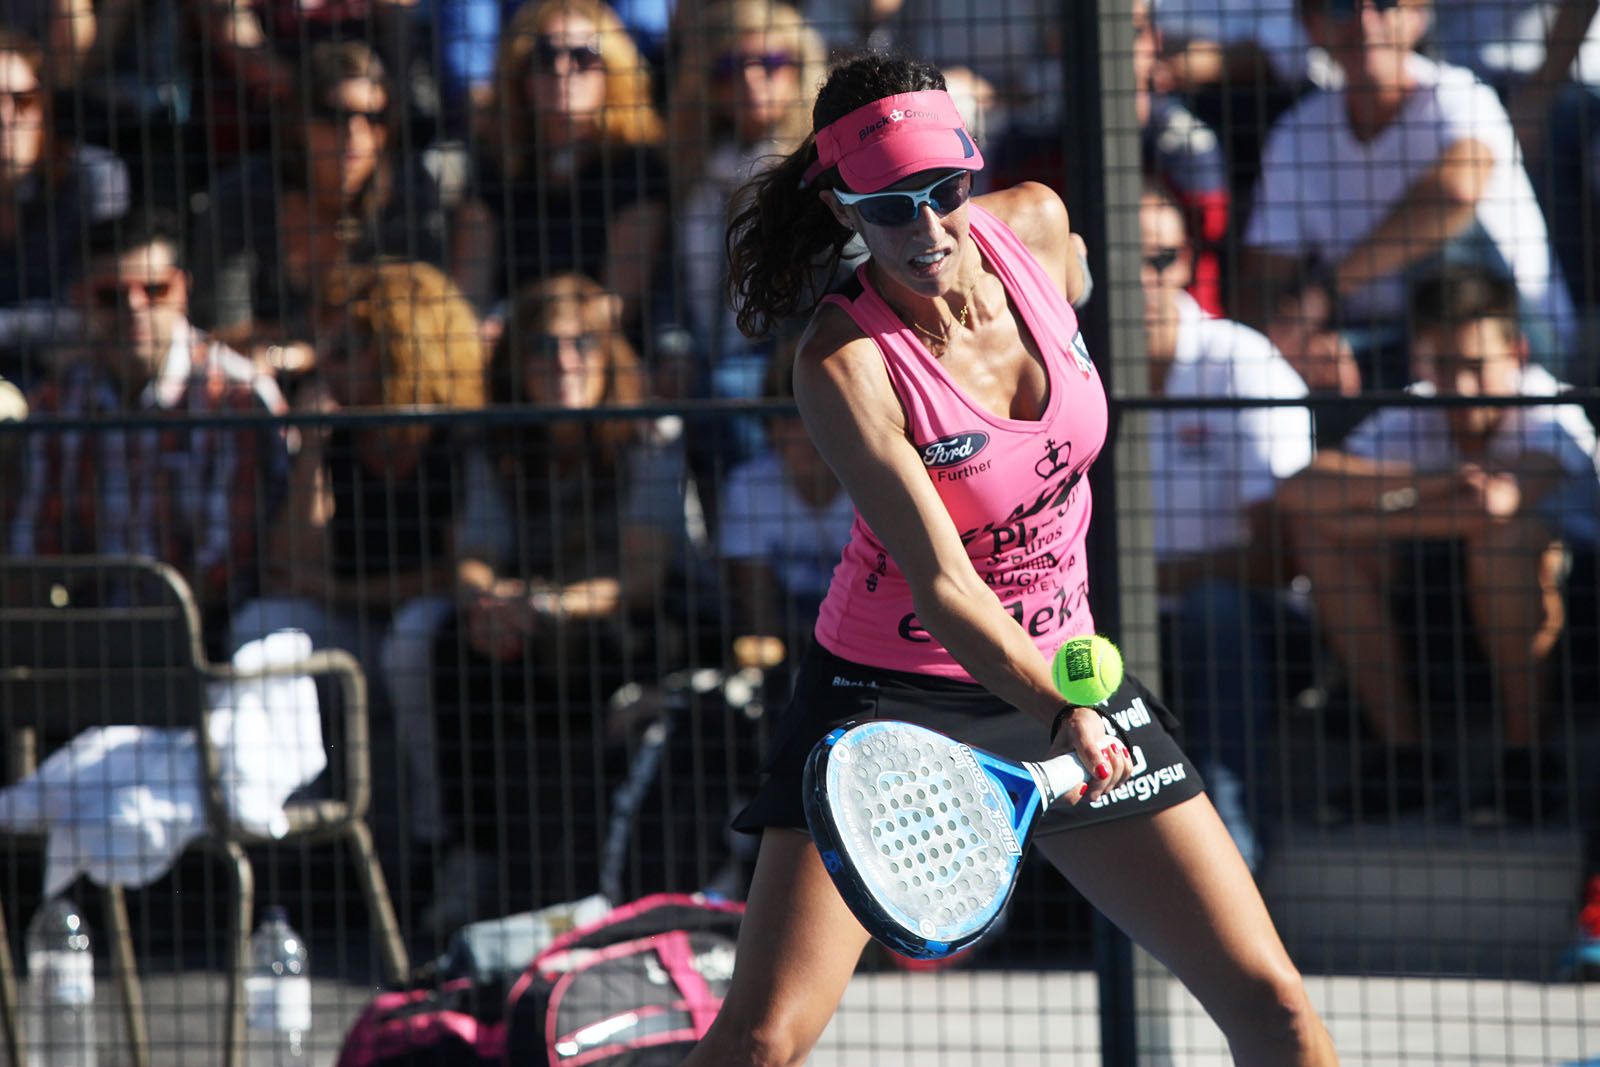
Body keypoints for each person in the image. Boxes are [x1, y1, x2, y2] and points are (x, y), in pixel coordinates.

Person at [685, 53, 1339, 1066]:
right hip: (891, 695)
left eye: (945, 190)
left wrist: (1064, 697)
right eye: (892, 207)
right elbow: (944, 587)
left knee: (1276, 1006)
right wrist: (1059, 708)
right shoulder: (840, 360)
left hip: (1063, 668)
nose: (930, 228)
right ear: (843, 210)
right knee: (763, 1037)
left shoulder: (1035, 224)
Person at [422, 272, 703, 930]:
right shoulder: (499, 441)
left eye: (581, 344)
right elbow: (474, 553)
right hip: (532, 618)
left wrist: (543, 605)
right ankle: (476, 857)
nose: (563, 361)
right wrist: (488, 601)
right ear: (517, 361)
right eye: (543, 347)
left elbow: (641, 573)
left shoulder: (648, 434)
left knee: (609, 647)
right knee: (450, 647)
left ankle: (605, 876)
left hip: (634, 620)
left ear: (609, 353)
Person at [1277, 263, 1600, 819]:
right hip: (1432, 607)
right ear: (1422, 360)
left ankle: (1529, 762)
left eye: (1477, 365)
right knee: (1322, 540)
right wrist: (1438, 482)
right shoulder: (1418, 404)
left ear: (1518, 354)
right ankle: (1408, 762)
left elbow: (1497, 504)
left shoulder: (1550, 411)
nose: (1460, 387)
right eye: (1444, 365)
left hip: (1570, 626)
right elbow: (1300, 490)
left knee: (1501, 541)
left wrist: (1367, 517)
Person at [1239, 0, 1575, 408]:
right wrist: (1296, 344)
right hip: (1383, 346)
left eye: (1384, 4)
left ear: (1418, 16)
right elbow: (1262, 281)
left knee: (1452, 234)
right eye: (1342, 8)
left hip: (1509, 344)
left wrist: (1326, 290)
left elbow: (1456, 193)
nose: (1365, 22)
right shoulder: (1295, 133)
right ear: (1312, 27)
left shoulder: (1461, 95)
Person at [1141, 182, 1316, 871]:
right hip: (1109, 618)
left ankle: (1234, 836)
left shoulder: (1242, 361)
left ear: (1188, 262)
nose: (1145, 278)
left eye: (1161, 258)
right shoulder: (1064, 363)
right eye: (1129, 258)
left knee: (1214, 614)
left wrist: (1158, 579)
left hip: (1252, 618)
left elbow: (1280, 556)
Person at [9, 206, 287, 632]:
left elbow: (229, 562)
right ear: (81, 300)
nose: (134, 308)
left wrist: (140, 636)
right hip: (82, 635)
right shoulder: (56, 404)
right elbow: (35, 550)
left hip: (208, 631)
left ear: (183, 291)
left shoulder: (236, 396)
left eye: (155, 290)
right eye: (111, 295)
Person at [189, 40, 448, 382]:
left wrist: (305, 350)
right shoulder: (240, 200)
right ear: (300, 122)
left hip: (380, 387)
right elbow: (220, 334)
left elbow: (428, 323)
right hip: (257, 386)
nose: (354, 133)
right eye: (335, 116)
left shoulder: (408, 197)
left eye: (373, 118)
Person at [661, 0, 827, 456]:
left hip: (788, 354)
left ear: (799, 70)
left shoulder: (817, 167)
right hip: (703, 356)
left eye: (770, 63)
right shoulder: (693, 168)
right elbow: (669, 280)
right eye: (730, 68)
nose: (750, 81)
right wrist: (670, 347)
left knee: (726, 399)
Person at [455, 0, 668, 336]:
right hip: (502, 352)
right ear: (520, 73)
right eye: (544, 56)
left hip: (594, 348)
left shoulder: (636, 163)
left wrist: (526, 332)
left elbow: (617, 304)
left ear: (611, 70)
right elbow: (469, 292)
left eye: (582, 56)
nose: (562, 69)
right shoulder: (495, 161)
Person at [718, 338, 855, 674]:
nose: (800, 435)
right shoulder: (748, 485)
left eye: (812, 418)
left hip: (862, 630)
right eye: (787, 421)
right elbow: (757, 602)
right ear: (770, 429)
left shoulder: (874, 482)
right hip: (788, 630)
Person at [0, 29, 128, 388]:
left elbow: (95, 312)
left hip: (79, 380)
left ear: (44, 108)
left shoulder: (94, 179)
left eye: (21, 100)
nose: (5, 116)